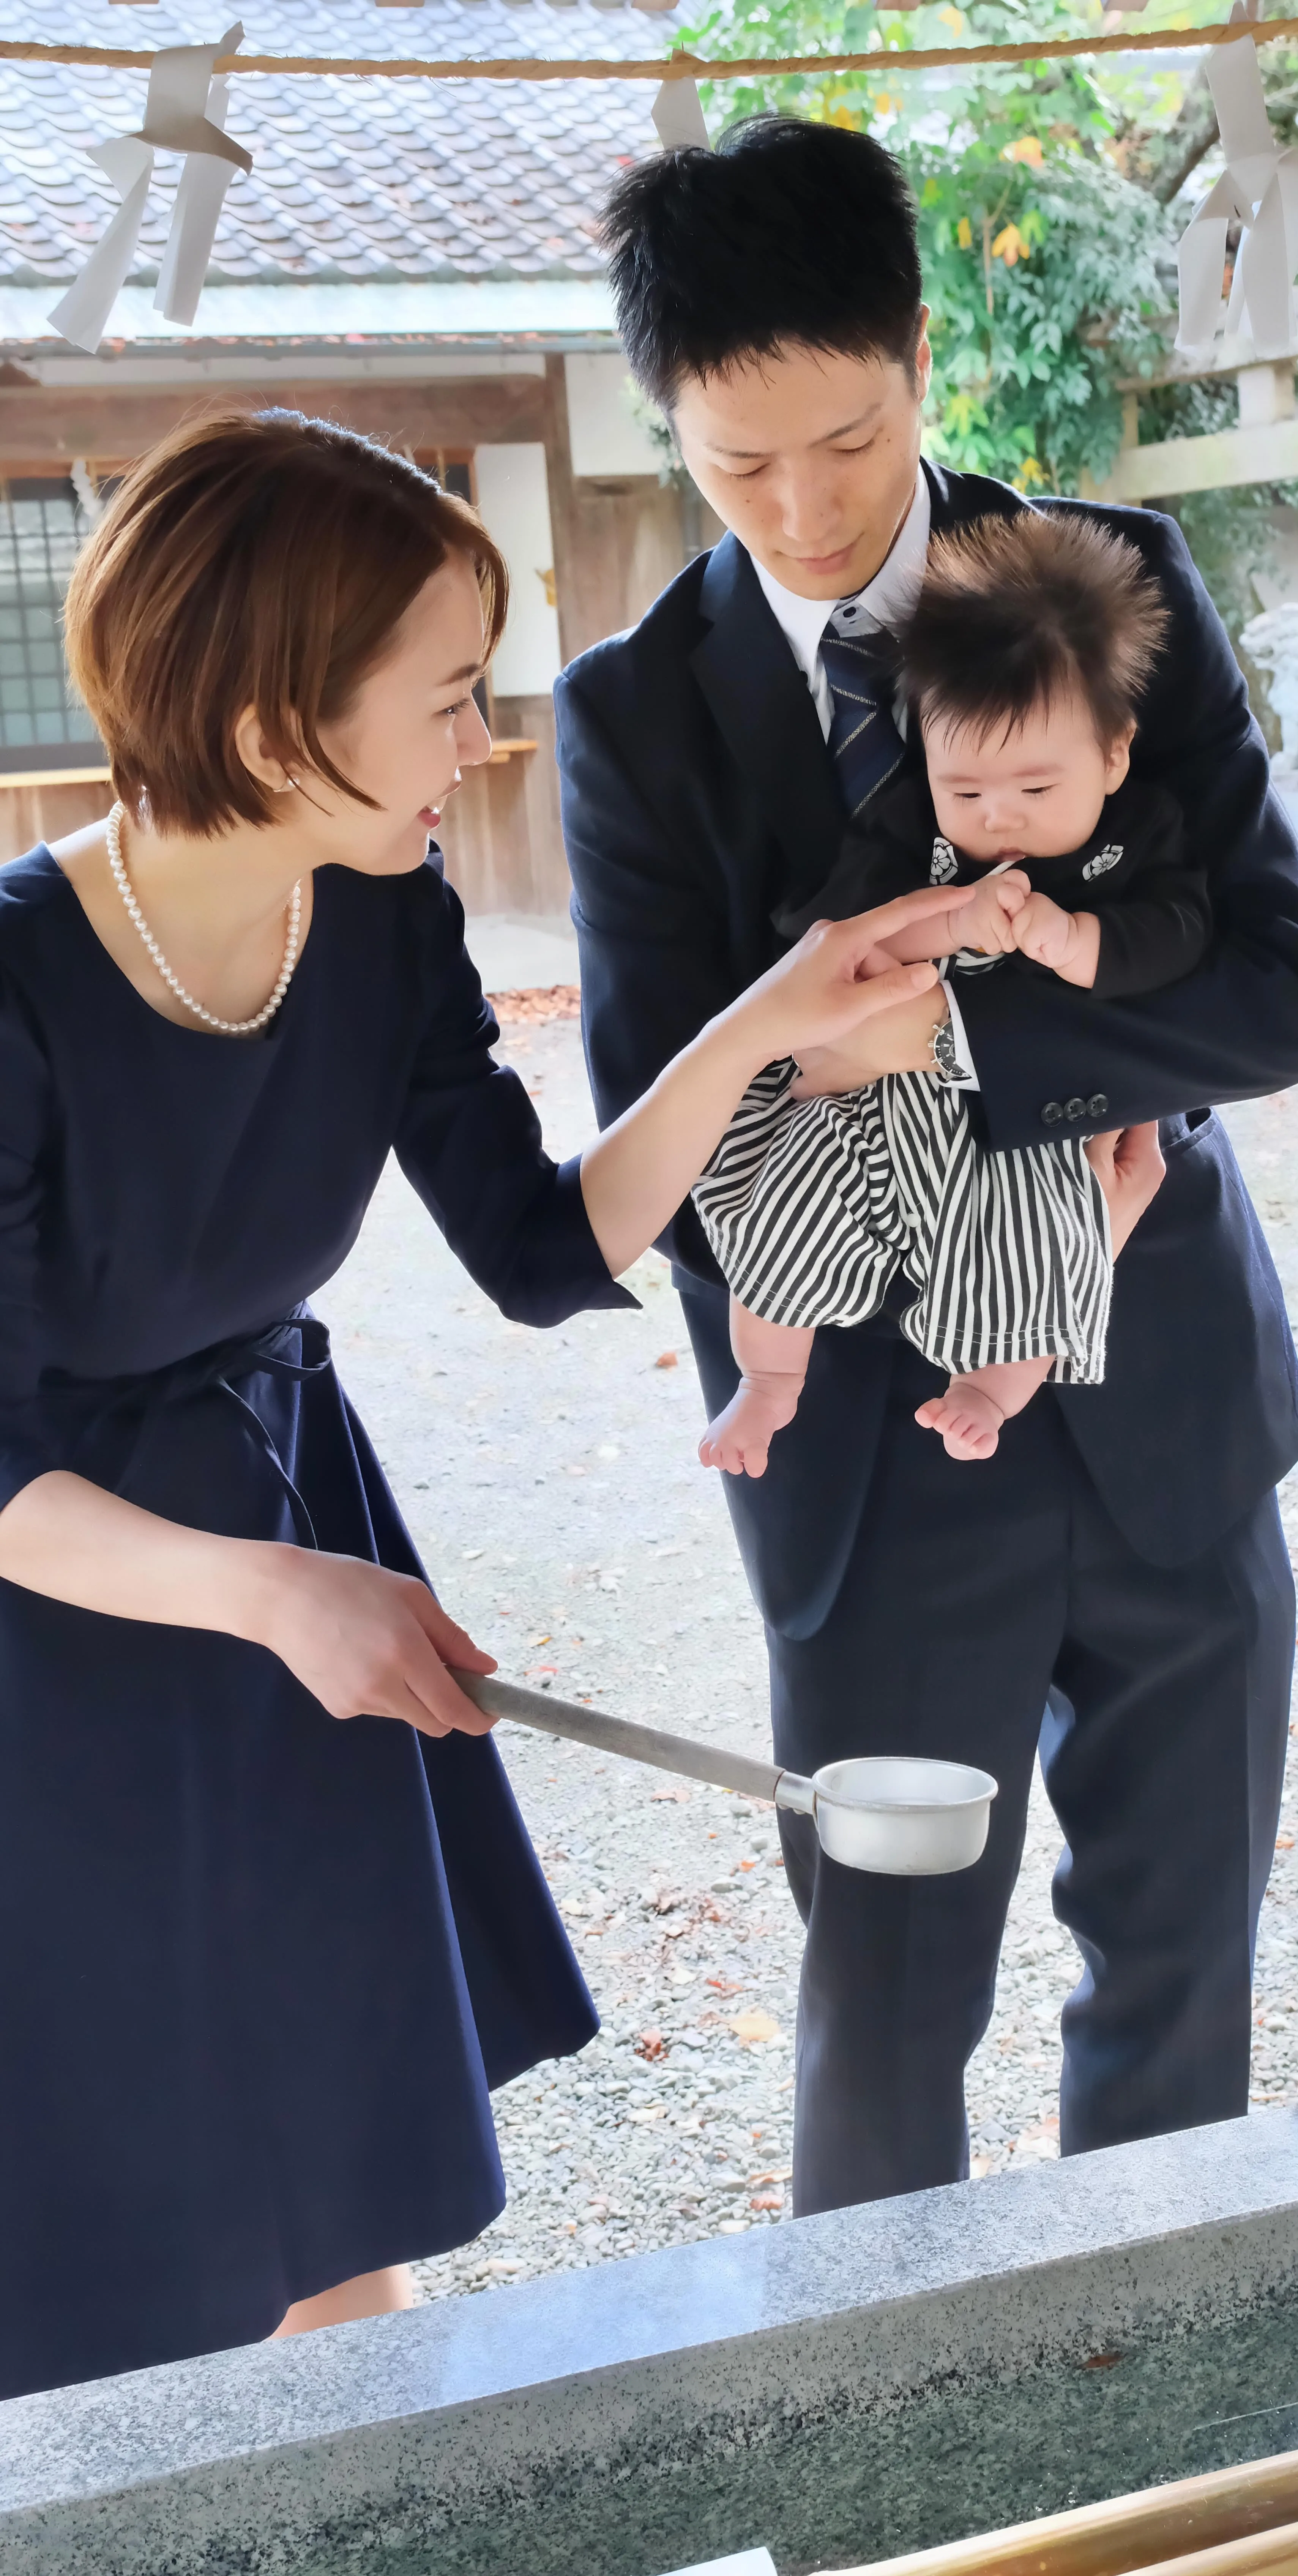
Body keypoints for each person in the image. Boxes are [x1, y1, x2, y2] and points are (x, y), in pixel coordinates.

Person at [0, 405, 952, 2404]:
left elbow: (540, 1247)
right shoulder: (13, 986)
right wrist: (273, 1595)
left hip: (290, 1537)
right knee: (114, 2210)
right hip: (71, 1624)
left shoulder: (380, 912)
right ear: (275, 735)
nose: (482, 741)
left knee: (329, 2165)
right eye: (445, 698)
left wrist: (772, 1017)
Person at [555, 116, 1298, 2219]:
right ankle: (879, 2520)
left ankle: (1169, 2507)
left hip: (1167, 1409)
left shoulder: (1107, 587)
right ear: (665, 427)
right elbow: (668, 1121)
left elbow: (1275, 992)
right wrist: (847, 1047)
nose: (805, 512)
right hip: (869, 1487)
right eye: (734, 465)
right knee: (888, 2023)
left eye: (848, 434)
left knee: (1182, 1993)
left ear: (920, 353)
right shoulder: (628, 717)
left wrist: (943, 1030)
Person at [694, 509, 1208, 1477]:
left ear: (1112, 754)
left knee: (1044, 1245)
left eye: (1033, 789)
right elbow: (841, 942)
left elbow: (1179, 938)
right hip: (868, 1103)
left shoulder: (1136, 840)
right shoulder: (904, 830)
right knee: (778, 1212)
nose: (997, 816)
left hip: (1024, 1132)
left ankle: (991, 1388)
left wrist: (1075, 936)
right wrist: (953, 919)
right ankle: (767, 1382)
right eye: (963, 790)